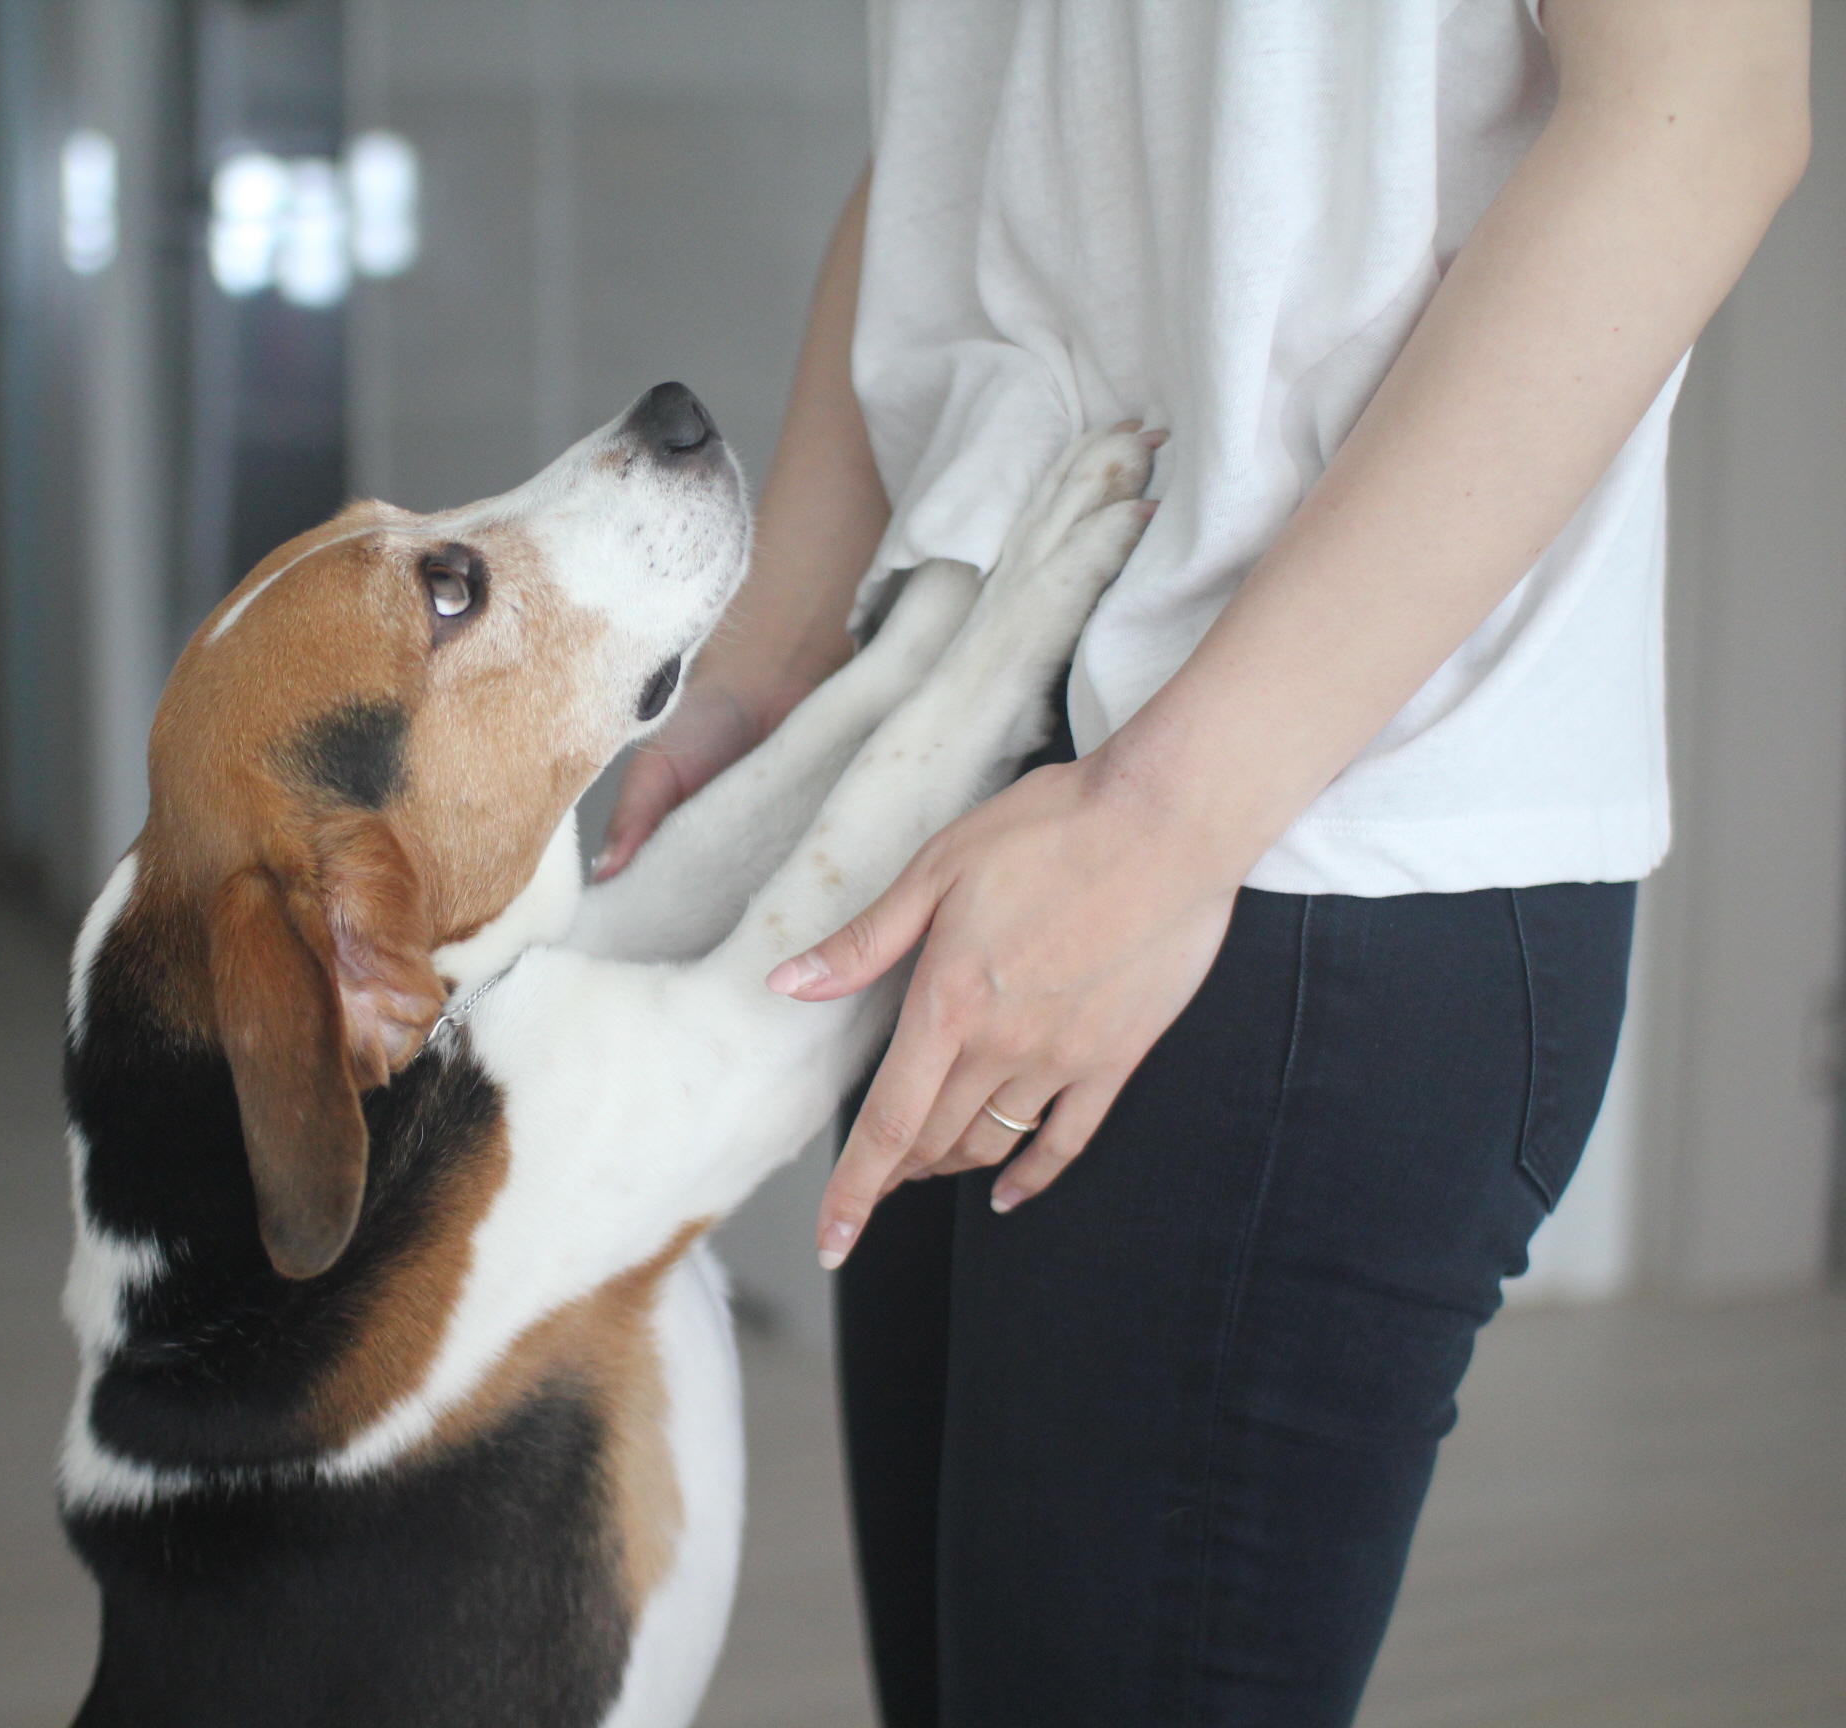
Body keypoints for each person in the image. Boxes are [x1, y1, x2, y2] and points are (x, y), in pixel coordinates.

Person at [591, 3, 1812, 1723]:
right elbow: (959, 137)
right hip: (992, 749)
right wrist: (772, 665)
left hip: (1293, 827)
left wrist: (1170, 810)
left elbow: (1705, 117)